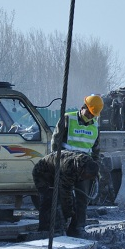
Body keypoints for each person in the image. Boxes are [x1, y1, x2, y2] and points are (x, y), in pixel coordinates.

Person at [52, 95, 103, 238]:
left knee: (82, 199)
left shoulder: (95, 125)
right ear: (84, 107)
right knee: (63, 197)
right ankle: (60, 226)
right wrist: (56, 162)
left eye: (93, 115)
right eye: (89, 113)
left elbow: (96, 150)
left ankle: (78, 227)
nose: (91, 116)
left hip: (85, 168)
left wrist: (95, 169)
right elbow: (55, 142)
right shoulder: (68, 119)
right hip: (66, 164)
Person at [33, 150, 100, 234]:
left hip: (58, 172)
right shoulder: (69, 168)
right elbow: (65, 194)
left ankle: (72, 231)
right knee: (49, 201)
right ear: (83, 171)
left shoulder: (89, 163)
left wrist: (71, 212)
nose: (86, 179)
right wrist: (68, 213)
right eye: (86, 176)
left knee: (72, 205)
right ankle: (44, 230)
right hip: (42, 174)